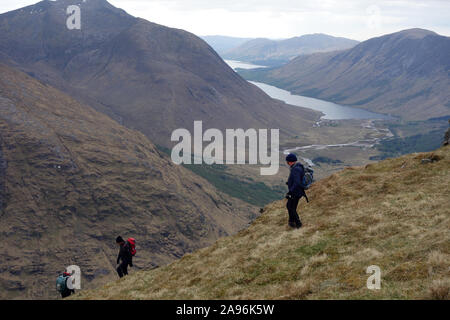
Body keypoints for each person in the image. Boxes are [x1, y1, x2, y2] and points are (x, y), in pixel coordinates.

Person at [285, 153, 305, 229]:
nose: (287, 163)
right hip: (297, 191)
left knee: (290, 207)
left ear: (290, 161)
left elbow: (297, 182)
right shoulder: (297, 167)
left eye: (287, 161)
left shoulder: (296, 169)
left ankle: (298, 223)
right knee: (291, 207)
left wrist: (290, 191)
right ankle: (291, 221)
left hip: (295, 192)